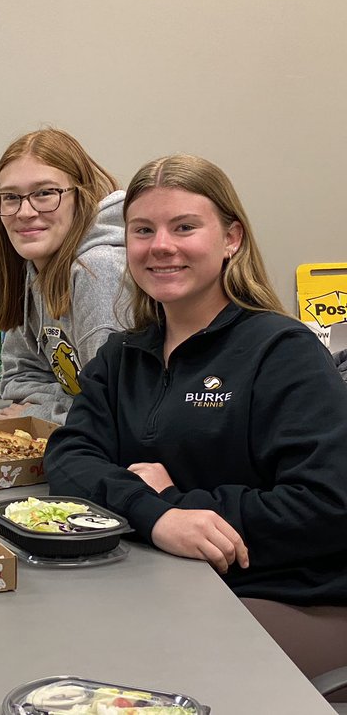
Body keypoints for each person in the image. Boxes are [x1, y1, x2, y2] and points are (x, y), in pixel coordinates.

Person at [44, 154, 347, 681]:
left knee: (127, 673)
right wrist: (157, 516)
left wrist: (176, 504)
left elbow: (326, 506)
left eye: (184, 227)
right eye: (143, 230)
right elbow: (69, 457)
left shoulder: (282, 351)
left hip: (286, 597)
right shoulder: (122, 356)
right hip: (159, 579)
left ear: (231, 238)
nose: (161, 246)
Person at [0, 128, 126, 423]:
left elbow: (116, 409)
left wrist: (43, 411)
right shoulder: (35, 261)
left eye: (45, 193)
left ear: (81, 196)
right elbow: (18, 376)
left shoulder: (98, 269)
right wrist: (60, 404)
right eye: (11, 197)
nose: (25, 211)